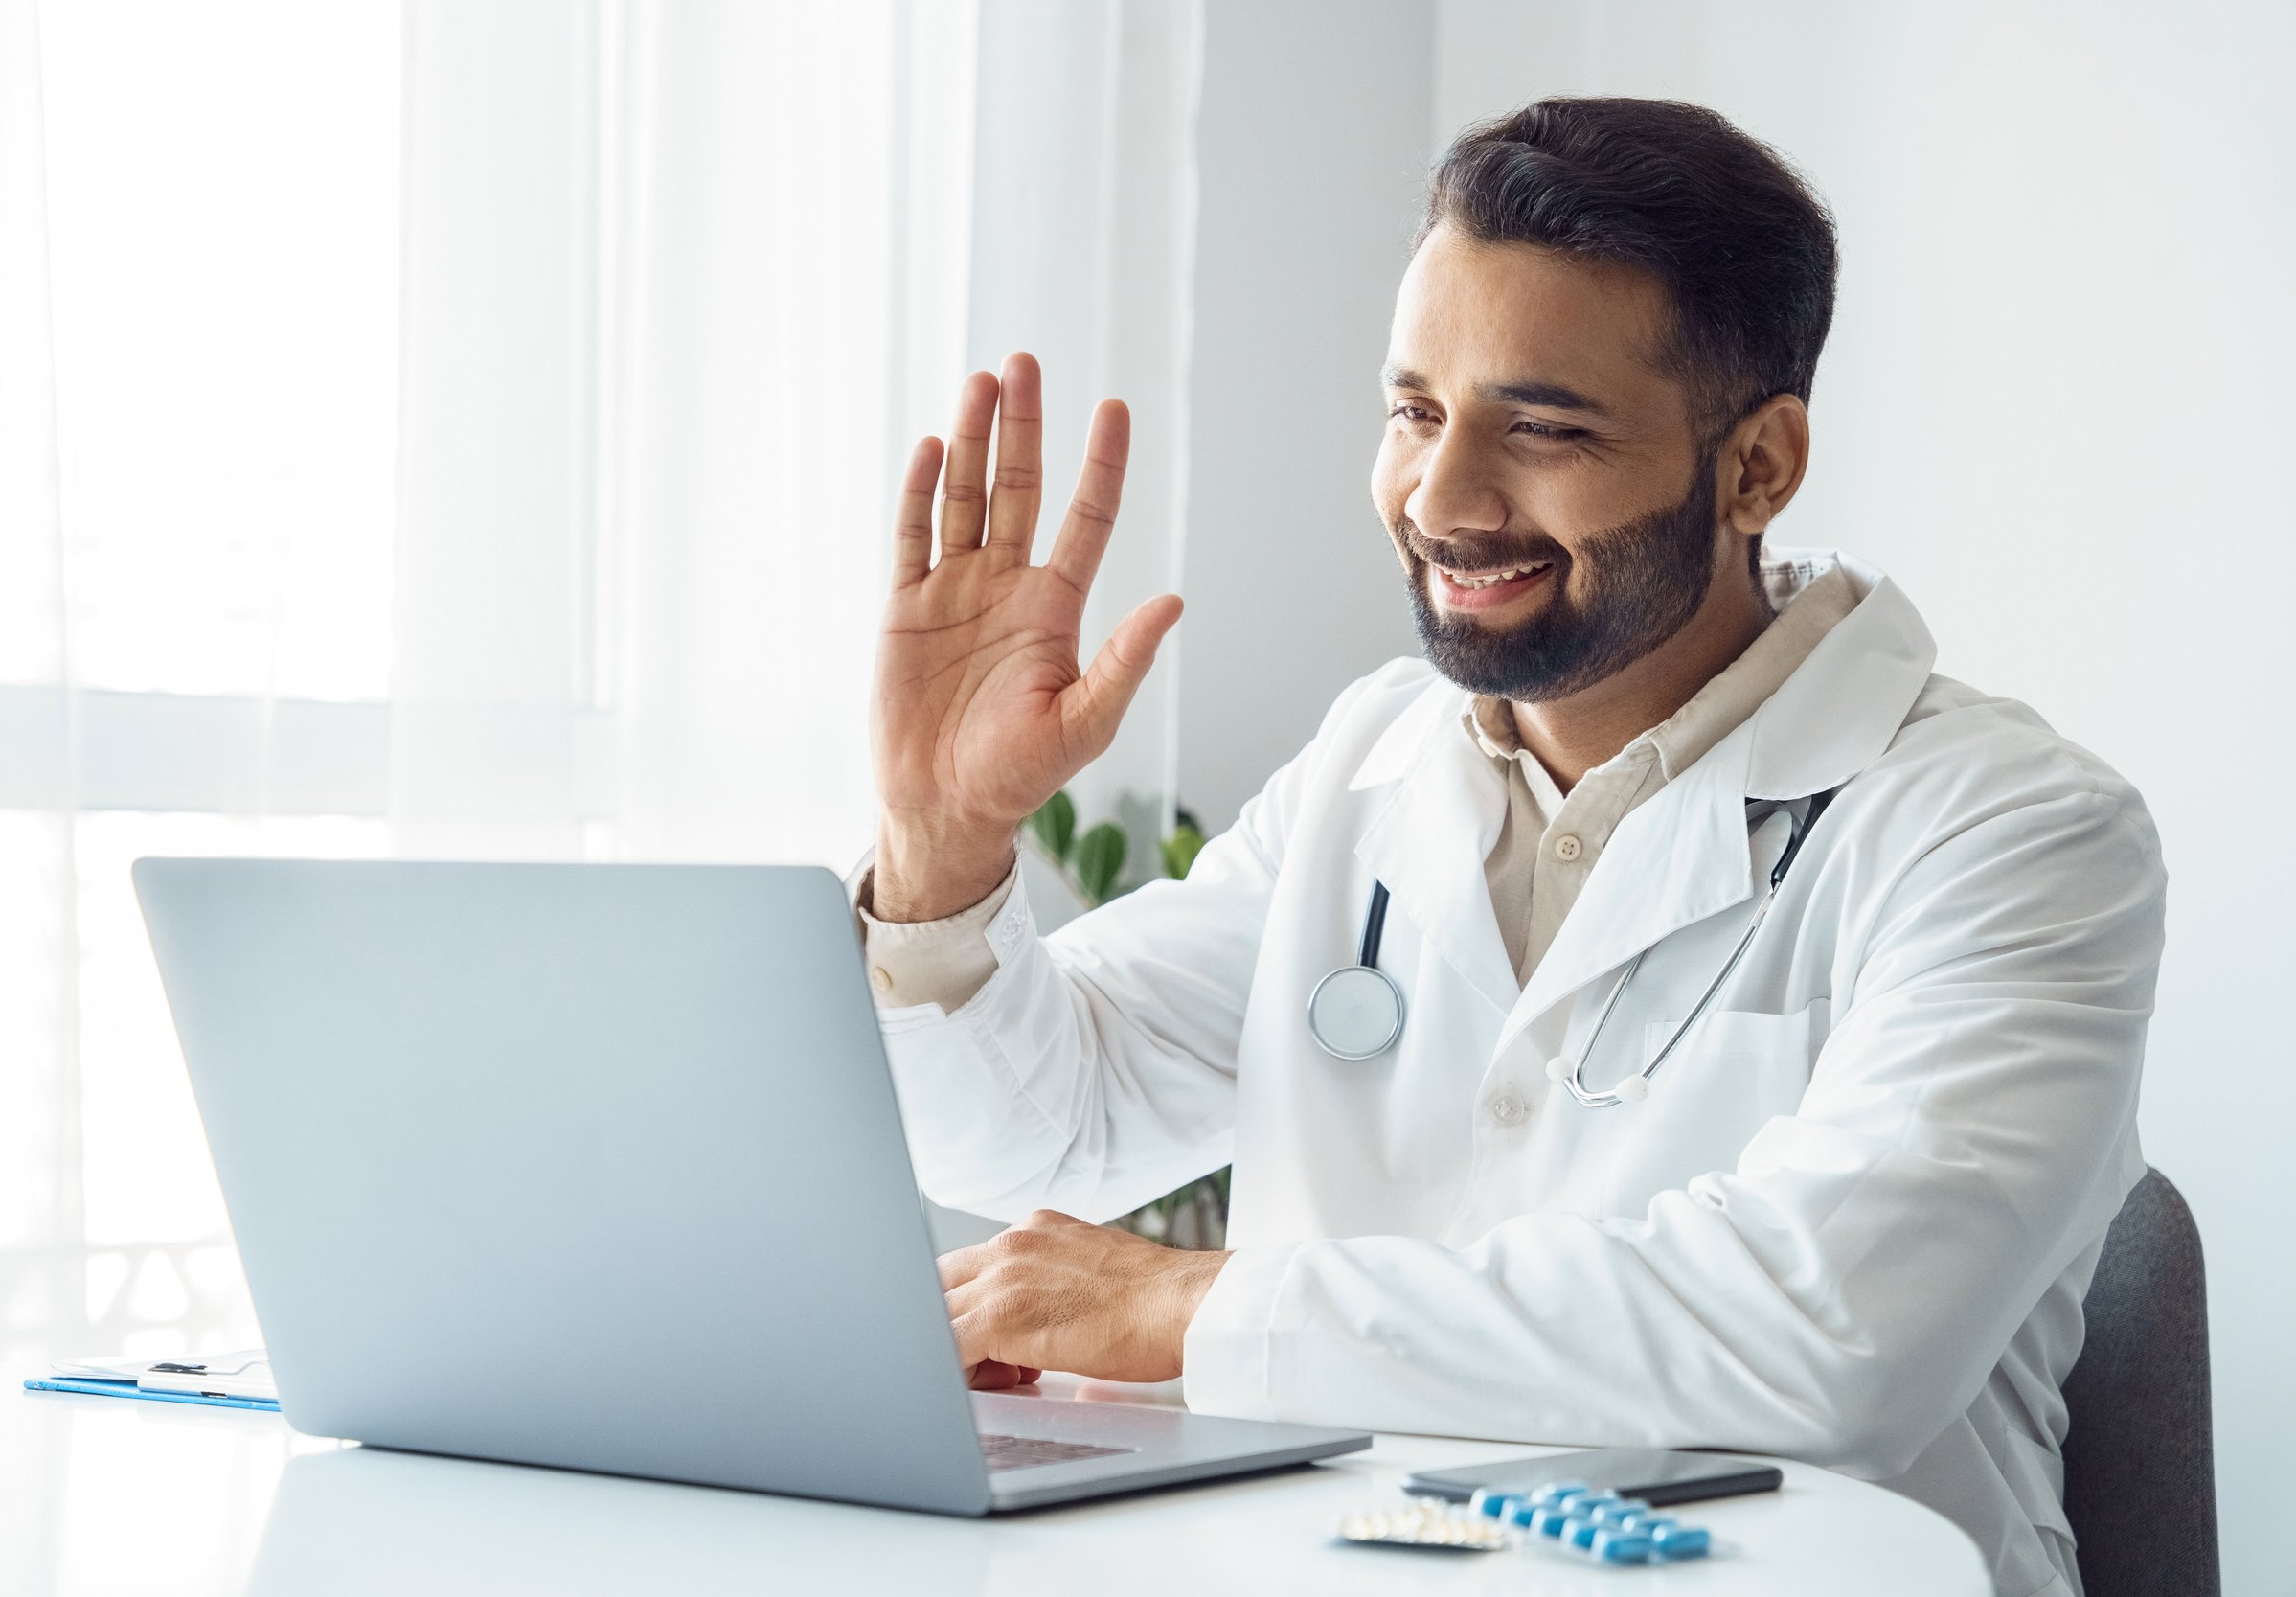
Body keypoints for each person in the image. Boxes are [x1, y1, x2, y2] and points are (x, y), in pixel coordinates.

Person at [853, 98, 2159, 1597]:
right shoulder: (1374, 762)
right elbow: (1033, 1130)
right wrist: (942, 846)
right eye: (1416, 411)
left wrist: (1199, 1312)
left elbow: (1825, 1341)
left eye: (1541, 427)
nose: (1442, 497)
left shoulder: (2014, 832)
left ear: (1758, 467)